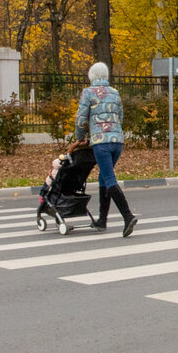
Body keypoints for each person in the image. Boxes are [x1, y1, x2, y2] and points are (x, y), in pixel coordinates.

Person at [74, 62, 137, 237]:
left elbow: (80, 119)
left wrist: (80, 137)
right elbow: (120, 116)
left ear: (91, 76)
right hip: (117, 142)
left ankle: (128, 216)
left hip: (101, 143)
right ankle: (102, 220)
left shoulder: (88, 93)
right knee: (103, 176)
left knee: (109, 178)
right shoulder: (115, 93)